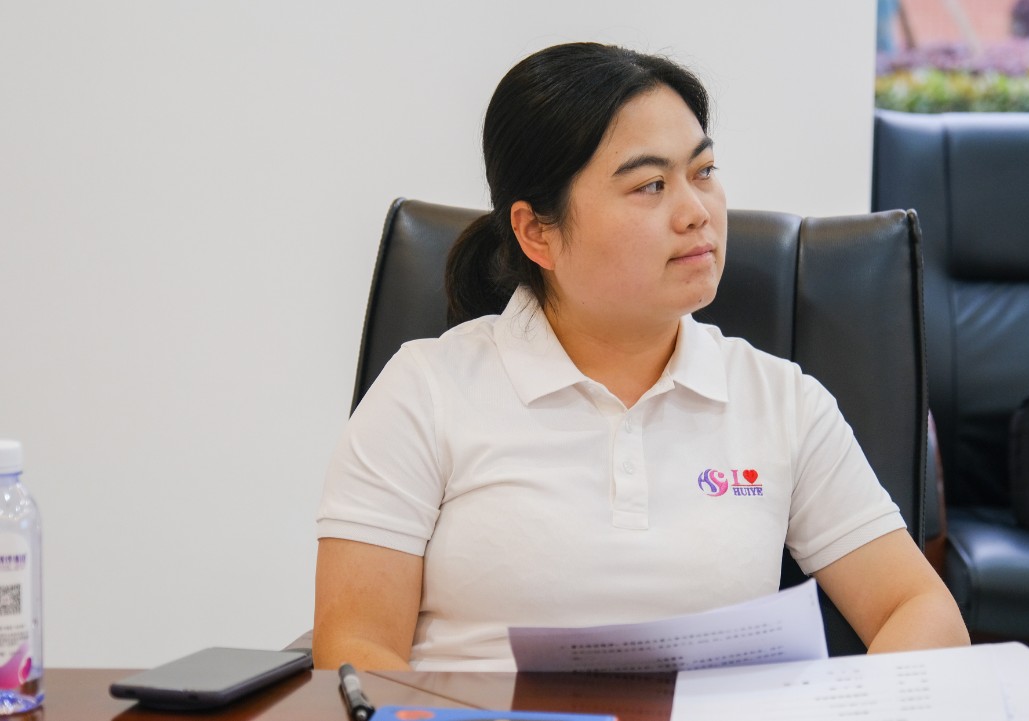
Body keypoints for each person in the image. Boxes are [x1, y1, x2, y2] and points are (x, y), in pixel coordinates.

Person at [313, 42, 969, 672]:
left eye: (703, 172)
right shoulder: (425, 391)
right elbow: (354, 648)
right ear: (537, 231)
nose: (697, 212)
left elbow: (921, 609)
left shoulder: (782, 401)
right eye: (651, 185)